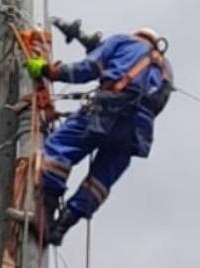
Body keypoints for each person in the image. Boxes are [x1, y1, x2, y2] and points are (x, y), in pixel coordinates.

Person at [23, 27, 174, 246]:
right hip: (139, 130)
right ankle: (64, 225)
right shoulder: (166, 69)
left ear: (137, 35)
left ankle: (46, 210)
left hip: (108, 109)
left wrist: (48, 71)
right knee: (101, 178)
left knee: (59, 146)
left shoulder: (124, 41)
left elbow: (87, 69)